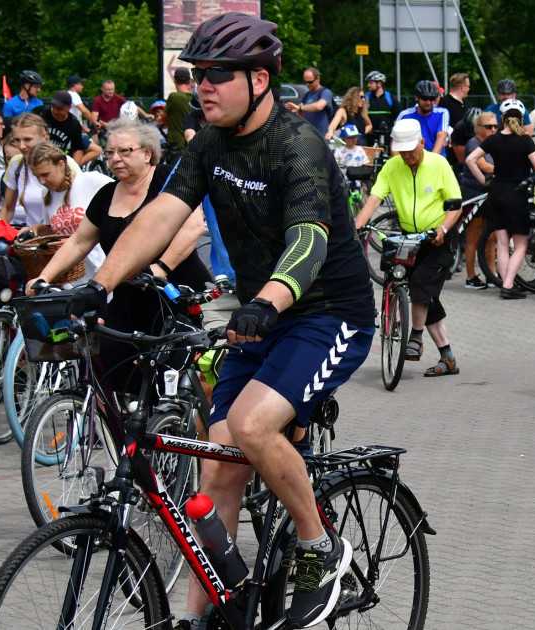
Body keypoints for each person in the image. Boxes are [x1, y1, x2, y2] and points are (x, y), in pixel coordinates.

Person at [39, 14, 376, 630]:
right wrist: (98, 286)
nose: (203, 88)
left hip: (329, 314)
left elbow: (309, 241)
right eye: (197, 76)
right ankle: (205, 614)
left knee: (249, 425)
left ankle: (318, 546)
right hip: (258, 320)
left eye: (218, 76)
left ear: (260, 78)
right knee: (216, 464)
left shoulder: (297, 144)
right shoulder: (209, 143)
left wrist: (267, 302)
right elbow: (161, 215)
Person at [28, 119, 209, 394]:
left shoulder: (167, 180)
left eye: (124, 151)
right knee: (111, 366)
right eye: (110, 153)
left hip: (175, 295)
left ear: (147, 153)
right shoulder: (106, 195)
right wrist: (44, 276)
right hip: (128, 298)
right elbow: (79, 240)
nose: (115, 159)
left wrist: (161, 267)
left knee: (174, 383)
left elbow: (193, 225)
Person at [356, 118, 461, 373]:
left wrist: (442, 228)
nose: (406, 156)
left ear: (422, 143)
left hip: (439, 238)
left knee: (420, 285)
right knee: (424, 296)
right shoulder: (392, 167)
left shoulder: (439, 164)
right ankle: (447, 358)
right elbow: (374, 198)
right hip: (408, 238)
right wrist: (357, 227)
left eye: (411, 151)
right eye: (401, 151)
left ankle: (415, 336)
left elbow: (456, 203)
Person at [465, 100, 535, 299]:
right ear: (521, 119)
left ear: (502, 118)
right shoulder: (525, 140)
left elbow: (470, 159)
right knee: (521, 244)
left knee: (502, 243)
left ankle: (506, 283)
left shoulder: (493, 140)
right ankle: (508, 286)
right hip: (517, 195)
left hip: (496, 193)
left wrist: (483, 180)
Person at [21, 142, 112, 278]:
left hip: (102, 268)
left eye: (45, 174)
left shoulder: (92, 181)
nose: (42, 181)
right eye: (37, 176)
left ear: (61, 165)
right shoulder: (46, 193)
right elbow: (57, 229)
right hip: (72, 276)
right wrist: (36, 229)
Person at [0, 113, 82, 227]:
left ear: (44, 136)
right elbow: (8, 208)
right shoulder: (16, 164)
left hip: (63, 238)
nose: (21, 146)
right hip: (32, 238)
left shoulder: (66, 163)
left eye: (27, 139)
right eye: (17, 140)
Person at [460, 110, 496, 290]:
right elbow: (481, 165)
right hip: (474, 194)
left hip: (489, 195)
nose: (493, 129)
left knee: (491, 237)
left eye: (496, 126)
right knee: (473, 237)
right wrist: (502, 169)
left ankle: (491, 273)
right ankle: (470, 276)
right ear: (479, 128)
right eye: (489, 126)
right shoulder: (473, 143)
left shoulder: (493, 143)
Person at [33, 90, 102, 166]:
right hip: (37, 155)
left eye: (60, 109)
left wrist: (74, 168)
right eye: (53, 106)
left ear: (69, 107)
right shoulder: (40, 112)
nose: (55, 111)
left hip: (56, 159)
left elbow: (78, 149)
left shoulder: (73, 123)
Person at [396, 80, 450, 156]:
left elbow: (441, 137)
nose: (428, 102)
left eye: (431, 99)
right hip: (412, 160)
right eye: (425, 98)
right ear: (417, 98)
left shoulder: (442, 113)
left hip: (436, 159)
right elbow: (395, 141)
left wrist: (431, 160)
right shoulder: (405, 115)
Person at [285, 67, 334, 137]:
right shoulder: (306, 95)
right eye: (306, 82)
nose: (307, 84)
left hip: (322, 136)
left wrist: (300, 108)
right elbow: (303, 117)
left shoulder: (325, 92)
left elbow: (319, 106)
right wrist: (298, 111)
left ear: (318, 79)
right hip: (309, 136)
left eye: (310, 82)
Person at [440, 72, 470, 163]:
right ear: (462, 87)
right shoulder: (443, 103)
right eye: (468, 86)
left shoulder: (464, 104)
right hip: (450, 151)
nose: (469, 89)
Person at [364, 70, 399, 144]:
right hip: (369, 137)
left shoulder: (389, 98)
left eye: (371, 83)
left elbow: (399, 115)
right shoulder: (365, 98)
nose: (368, 85)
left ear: (379, 84)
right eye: (368, 83)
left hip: (387, 137)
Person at [165, 67, 196, 151]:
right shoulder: (196, 98)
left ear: (174, 80)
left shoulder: (174, 97)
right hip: (194, 145)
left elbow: (163, 119)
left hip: (176, 146)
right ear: (190, 81)